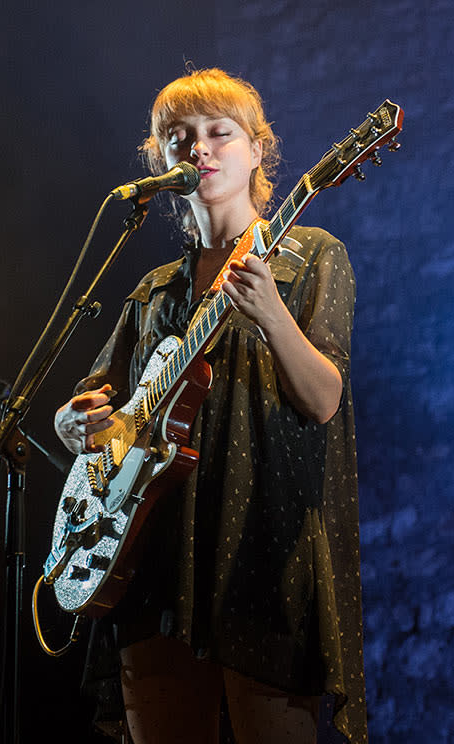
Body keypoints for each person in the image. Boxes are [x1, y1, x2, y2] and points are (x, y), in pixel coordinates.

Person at [54, 67, 367, 744]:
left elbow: (323, 402)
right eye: (180, 137)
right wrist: (71, 421)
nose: (200, 148)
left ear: (258, 150)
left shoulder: (310, 255)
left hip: (260, 554)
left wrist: (273, 317)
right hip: (150, 559)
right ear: (160, 157)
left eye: (219, 133)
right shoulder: (154, 290)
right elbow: (93, 404)